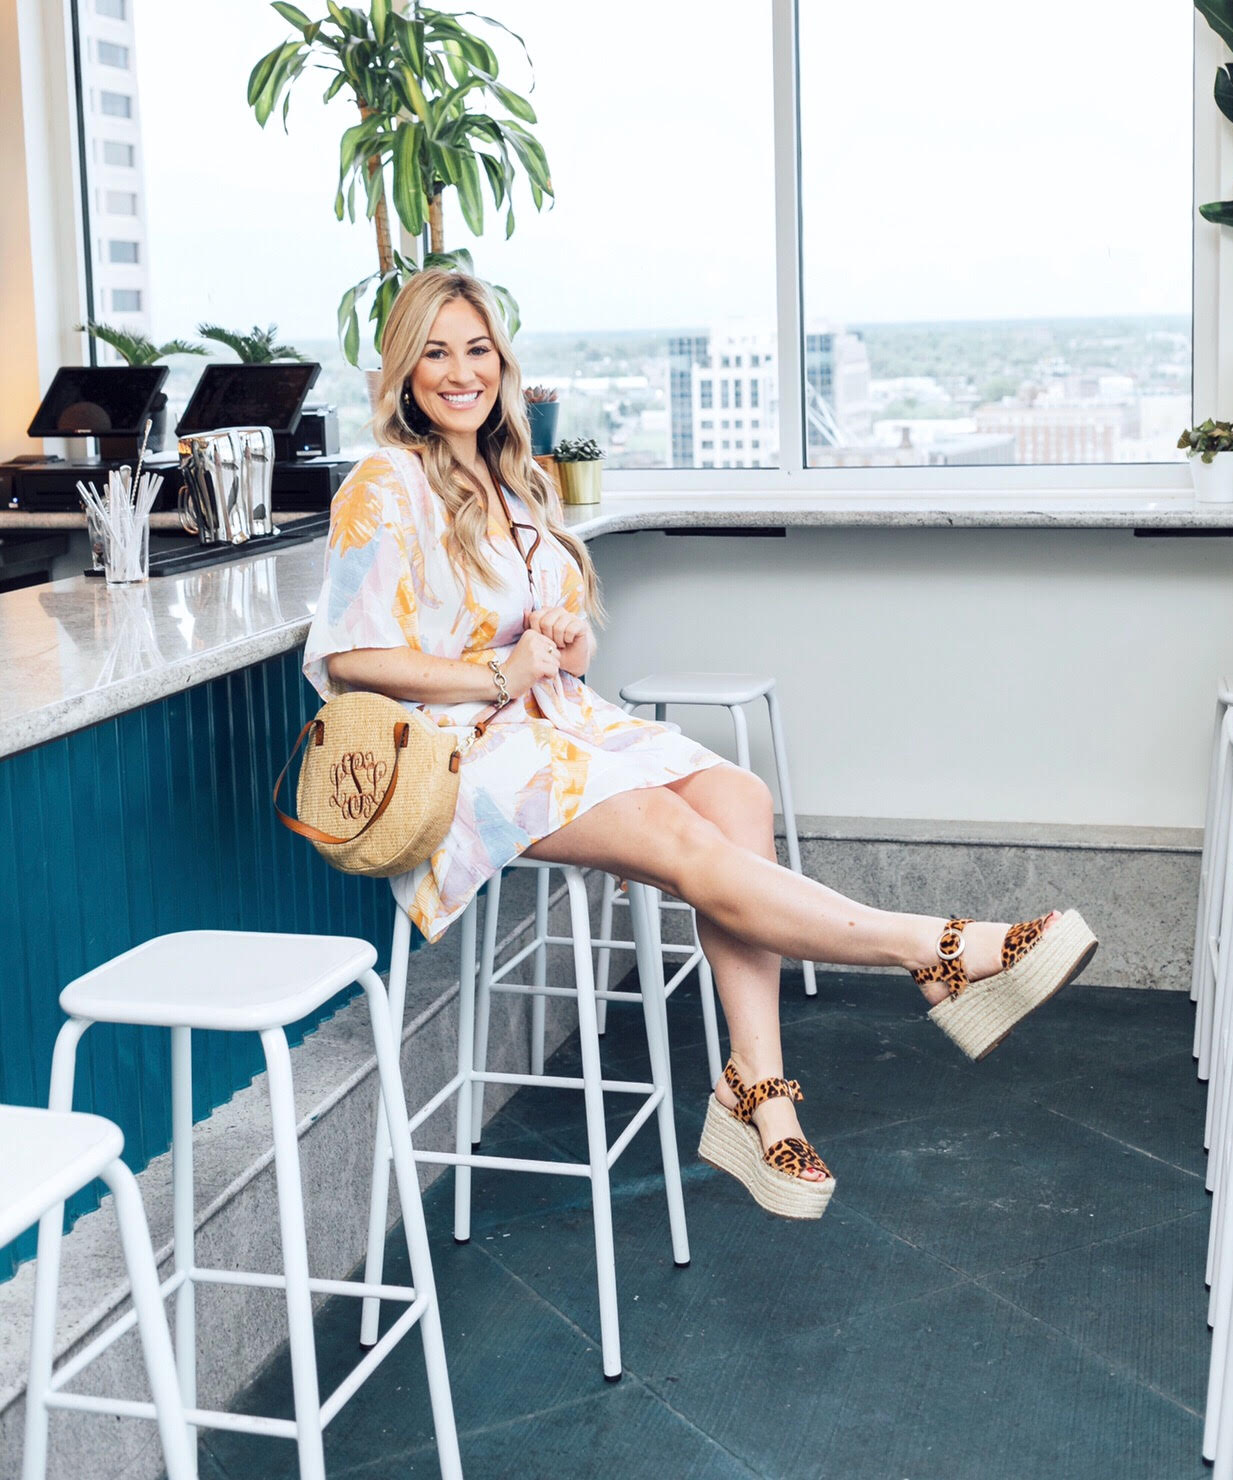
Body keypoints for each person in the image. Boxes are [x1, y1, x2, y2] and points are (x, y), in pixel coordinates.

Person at [304, 270, 1097, 1222]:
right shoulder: (381, 483)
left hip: (551, 719)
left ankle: (755, 1093)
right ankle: (938, 951)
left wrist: (565, 643)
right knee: (681, 845)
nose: (460, 372)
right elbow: (349, 656)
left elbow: (548, 627)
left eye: (477, 350)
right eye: (435, 352)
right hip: (459, 754)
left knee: (738, 801)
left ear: (501, 363)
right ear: (403, 369)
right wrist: (494, 677)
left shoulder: (514, 475)